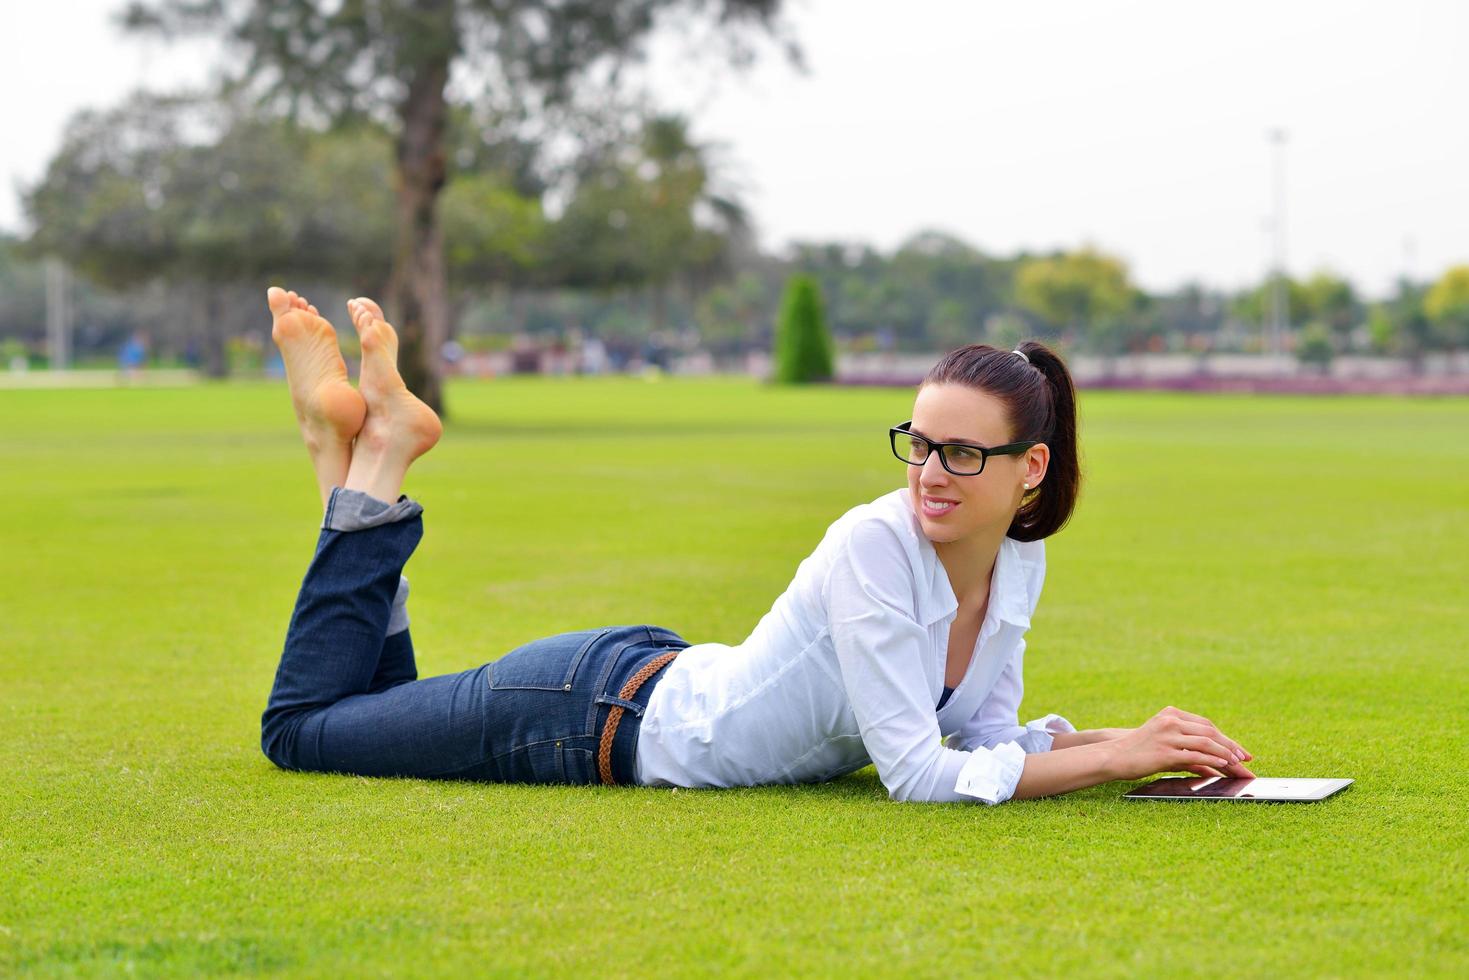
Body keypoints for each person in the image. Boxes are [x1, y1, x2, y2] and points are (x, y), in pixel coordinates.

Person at [259, 286, 1257, 804]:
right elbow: (914, 771)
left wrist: (1119, 745)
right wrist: (1104, 757)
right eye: (919, 444)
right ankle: (366, 451)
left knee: (364, 710)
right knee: (303, 730)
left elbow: (979, 740)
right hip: (584, 716)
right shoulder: (875, 543)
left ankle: (350, 452)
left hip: (640, 680)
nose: (929, 473)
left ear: (1027, 469)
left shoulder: (1014, 563)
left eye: (962, 452)